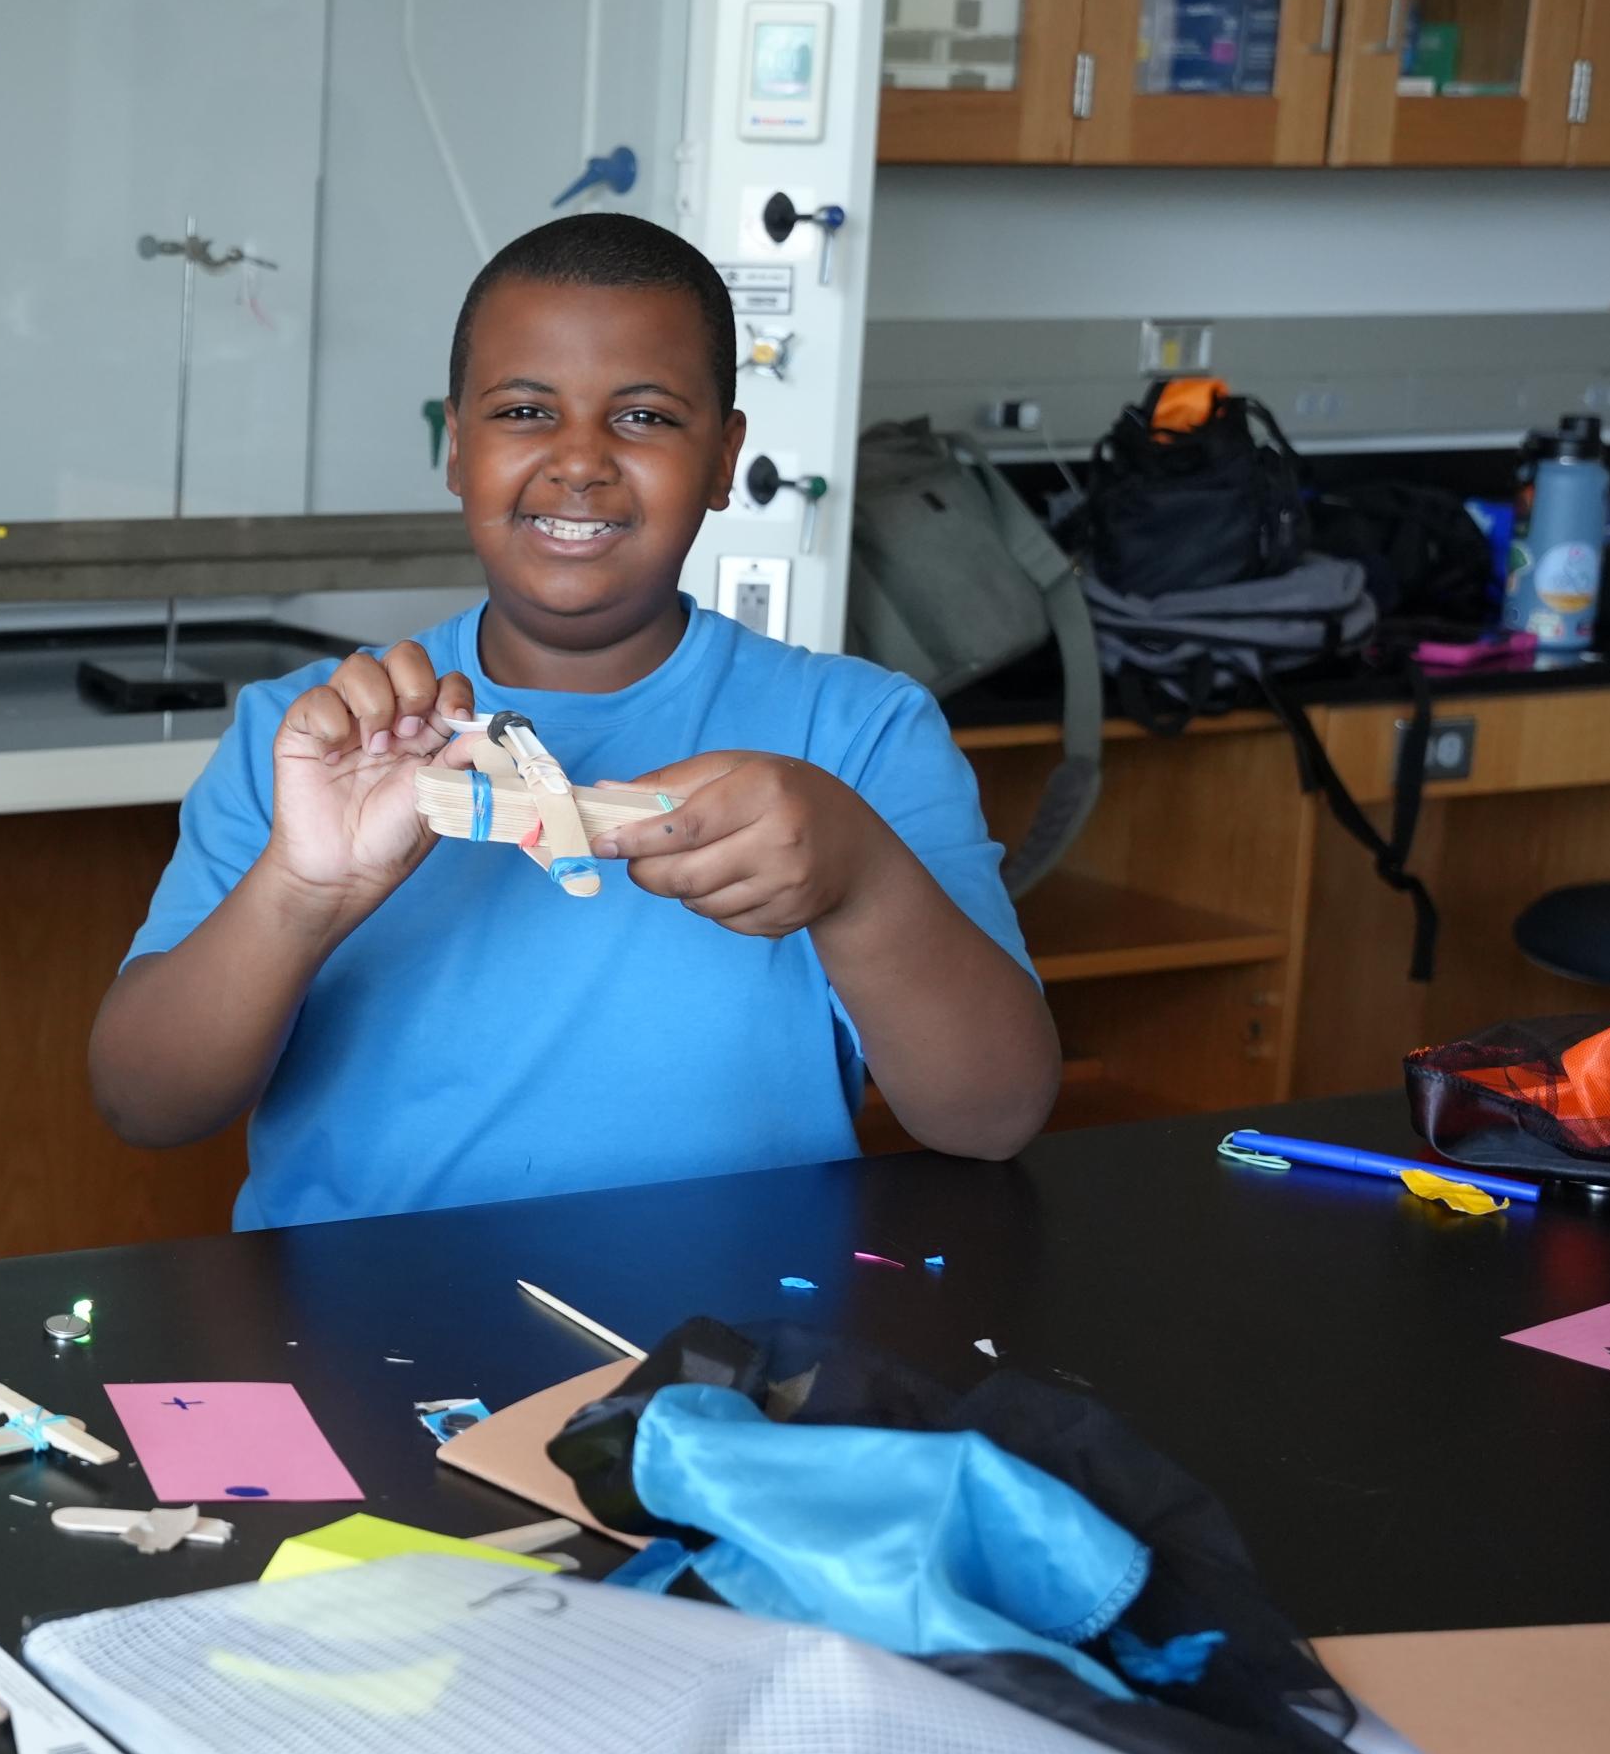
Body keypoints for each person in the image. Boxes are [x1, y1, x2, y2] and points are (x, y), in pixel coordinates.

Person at [89, 211, 1057, 1223]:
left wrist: (860, 882)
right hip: (355, 1333)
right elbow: (143, 1103)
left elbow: (991, 1117)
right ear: (455, 448)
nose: (582, 461)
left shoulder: (859, 733)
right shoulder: (310, 738)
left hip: (731, 1347)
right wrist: (301, 891)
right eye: (522, 412)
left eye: (642, 417)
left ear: (724, 459)